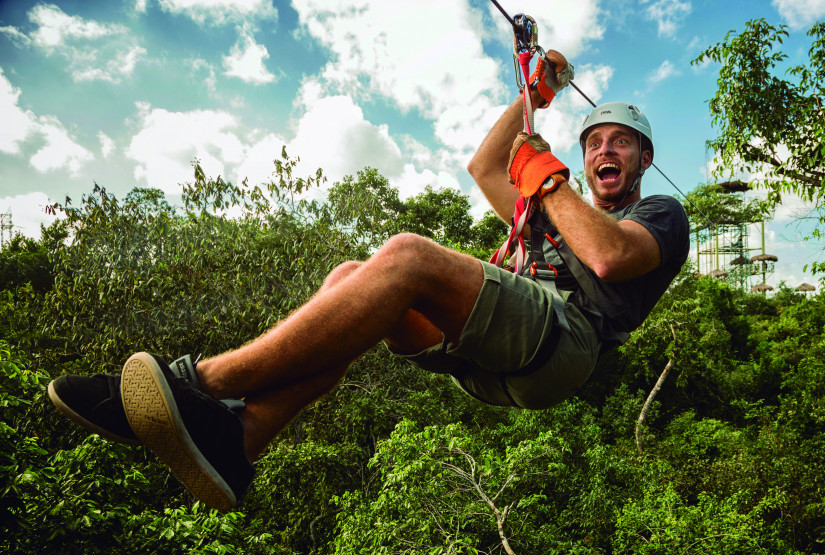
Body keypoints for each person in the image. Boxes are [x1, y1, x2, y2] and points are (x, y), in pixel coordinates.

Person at [47, 52, 689, 511]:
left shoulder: (658, 214)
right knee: (353, 278)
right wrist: (532, 97)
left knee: (408, 255)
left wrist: (545, 178)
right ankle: (240, 440)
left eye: (621, 144)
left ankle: (197, 385)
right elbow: (487, 165)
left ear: (643, 159)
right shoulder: (551, 210)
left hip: (561, 346)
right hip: (494, 355)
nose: (605, 151)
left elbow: (605, 257)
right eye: (594, 141)